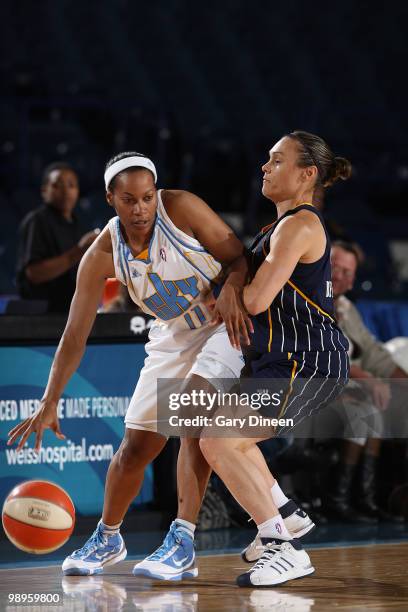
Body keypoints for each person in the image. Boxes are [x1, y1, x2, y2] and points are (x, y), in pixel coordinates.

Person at [8, 152, 314, 583]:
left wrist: (229, 285)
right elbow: (75, 334)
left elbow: (240, 257)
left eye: (147, 197)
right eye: (129, 199)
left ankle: (183, 538)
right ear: (111, 199)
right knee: (135, 448)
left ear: (157, 194)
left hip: (223, 329)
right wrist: (49, 399)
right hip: (171, 335)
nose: (140, 208)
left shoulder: (182, 207)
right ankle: (109, 536)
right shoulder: (100, 253)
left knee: (189, 409)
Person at [199, 131, 351, 587]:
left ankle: (284, 547)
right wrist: (226, 292)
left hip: (306, 362)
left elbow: (259, 299)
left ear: (307, 175)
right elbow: (241, 290)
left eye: (277, 160)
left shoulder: (301, 225)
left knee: (219, 439)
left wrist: (226, 295)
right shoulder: (275, 229)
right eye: (266, 159)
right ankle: (286, 515)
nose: (265, 167)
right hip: (278, 362)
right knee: (225, 436)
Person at [323, 241, 408, 522]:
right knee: (366, 411)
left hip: (347, 389)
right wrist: (366, 379)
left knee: (384, 406)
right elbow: (320, 358)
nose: (339, 276)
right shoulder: (308, 302)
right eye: (334, 267)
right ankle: (339, 499)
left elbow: (374, 354)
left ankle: (369, 497)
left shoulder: (346, 307)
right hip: (310, 389)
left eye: (347, 272)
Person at [16, 162, 100, 312]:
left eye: (71, 185)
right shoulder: (37, 220)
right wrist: (79, 251)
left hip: (71, 310)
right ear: (44, 191)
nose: (65, 191)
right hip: (41, 314)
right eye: (57, 185)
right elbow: (34, 274)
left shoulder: (78, 224)